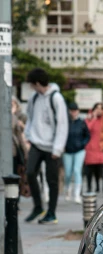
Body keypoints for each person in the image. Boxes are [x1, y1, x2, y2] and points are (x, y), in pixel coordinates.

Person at [23, 67, 69, 225]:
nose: (31, 87)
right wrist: (28, 135)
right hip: (36, 143)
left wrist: (58, 148)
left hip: (52, 147)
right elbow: (30, 117)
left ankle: (51, 213)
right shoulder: (34, 98)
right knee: (30, 173)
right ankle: (37, 206)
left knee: (52, 181)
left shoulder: (56, 98)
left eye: (32, 84)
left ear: (37, 83)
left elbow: (63, 124)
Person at [63, 101, 90, 204]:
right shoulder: (66, 122)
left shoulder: (82, 123)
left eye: (75, 111)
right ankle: (67, 189)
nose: (73, 113)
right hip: (68, 150)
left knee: (77, 170)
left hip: (79, 150)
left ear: (78, 111)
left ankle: (76, 194)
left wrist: (83, 144)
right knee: (68, 172)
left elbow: (87, 135)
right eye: (72, 111)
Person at [83, 102, 103, 195]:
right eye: (97, 108)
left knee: (99, 170)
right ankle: (89, 187)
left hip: (100, 149)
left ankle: (99, 187)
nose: (99, 110)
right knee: (89, 170)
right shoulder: (89, 119)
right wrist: (94, 118)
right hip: (90, 149)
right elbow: (87, 129)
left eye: (101, 108)